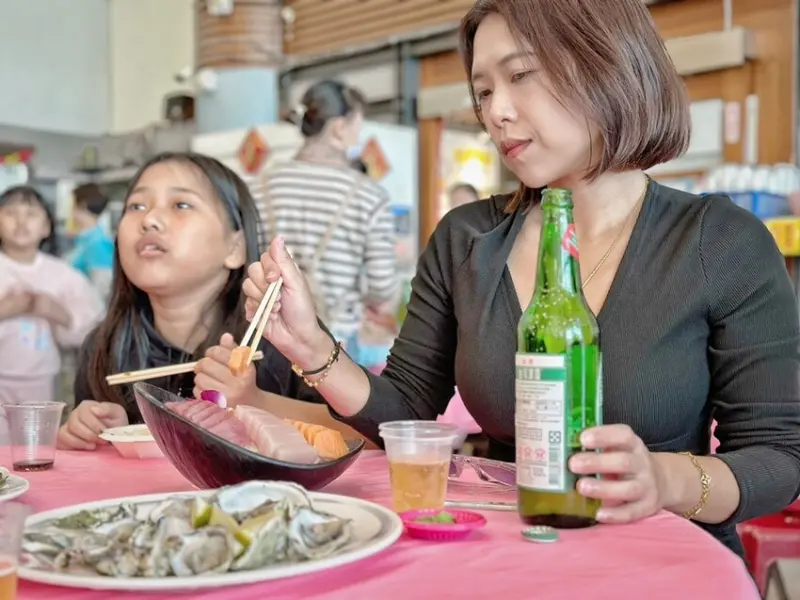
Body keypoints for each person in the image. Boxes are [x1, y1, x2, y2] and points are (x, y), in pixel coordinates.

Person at [242, 0, 800, 558]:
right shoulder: (467, 240)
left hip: (666, 564)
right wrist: (313, 347)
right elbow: (407, 408)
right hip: (510, 555)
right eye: (483, 91)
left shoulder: (721, 241)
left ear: (605, 62)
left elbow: (779, 456)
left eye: (520, 75)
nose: (496, 113)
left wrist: (666, 479)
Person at [59, 152, 364, 451]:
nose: (149, 219)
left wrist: (256, 402)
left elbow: (364, 436)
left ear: (235, 247)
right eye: (136, 206)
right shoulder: (104, 347)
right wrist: (92, 433)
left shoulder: (281, 336)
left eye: (181, 204)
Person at [253, 80, 398, 357]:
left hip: (266, 337)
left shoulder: (260, 185)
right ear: (338, 128)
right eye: (357, 127)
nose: (358, 137)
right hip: (334, 342)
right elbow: (382, 286)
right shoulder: (368, 195)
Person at [0, 186, 104, 442]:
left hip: (44, 381)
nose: (21, 221)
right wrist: (6, 309)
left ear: (46, 227)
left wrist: (56, 311)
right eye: (11, 213)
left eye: (31, 214)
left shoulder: (63, 275)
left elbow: (92, 325)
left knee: (37, 450)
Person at [69, 183, 115, 301]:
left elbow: (101, 290)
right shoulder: (84, 240)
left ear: (81, 205)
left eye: (72, 205)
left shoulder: (98, 243)